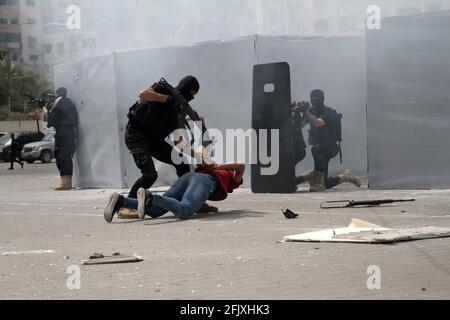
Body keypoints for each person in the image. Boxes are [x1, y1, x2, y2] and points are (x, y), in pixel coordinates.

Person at [123, 75, 217, 214]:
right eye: (192, 93)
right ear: (185, 88)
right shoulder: (163, 89)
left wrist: (197, 156)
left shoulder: (177, 111)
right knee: (150, 175)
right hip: (136, 135)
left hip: (154, 140)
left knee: (182, 165)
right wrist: (167, 99)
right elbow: (143, 94)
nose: (192, 98)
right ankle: (126, 205)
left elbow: (180, 143)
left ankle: (192, 200)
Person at [104, 162, 245, 223]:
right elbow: (241, 166)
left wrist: (210, 164)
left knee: (156, 211)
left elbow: (201, 149)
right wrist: (218, 166)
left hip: (187, 178)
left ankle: (121, 201)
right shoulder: (230, 177)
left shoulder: (208, 167)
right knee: (184, 211)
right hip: (205, 181)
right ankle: (150, 197)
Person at [295, 89, 361, 192]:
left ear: (323, 99)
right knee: (326, 183)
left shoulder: (328, 112)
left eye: (317, 98)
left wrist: (306, 112)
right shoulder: (311, 112)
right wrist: (297, 112)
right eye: (312, 98)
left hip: (330, 147)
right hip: (320, 148)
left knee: (316, 150)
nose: (314, 100)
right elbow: (300, 126)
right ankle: (346, 176)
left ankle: (317, 181)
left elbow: (318, 123)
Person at [44, 87, 79, 191]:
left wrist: (48, 111)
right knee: (60, 158)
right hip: (63, 135)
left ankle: (66, 183)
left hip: (65, 136)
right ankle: (64, 182)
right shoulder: (62, 104)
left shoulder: (63, 104)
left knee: (64, 158)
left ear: (58, 94)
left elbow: (57, 120)